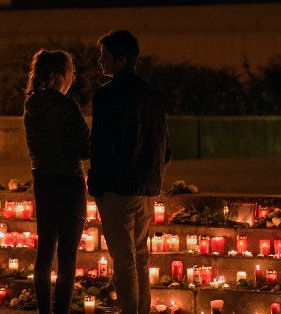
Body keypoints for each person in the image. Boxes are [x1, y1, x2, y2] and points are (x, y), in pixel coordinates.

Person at [87, 30, 171, 314]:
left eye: (105, 55)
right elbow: (164, 144)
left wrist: (96, 183)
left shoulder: (108, 96)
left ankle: (130, 310)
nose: (100, 60)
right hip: (146, 188)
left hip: (118, 189)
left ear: (121, 59)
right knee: (140, 256)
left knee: (124, 259)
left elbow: (103, 144)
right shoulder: (150, 93)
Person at [23, 49, 91, 314]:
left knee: (44, 251)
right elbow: (86, 148)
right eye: (71, 72)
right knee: (67, 254)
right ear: (60, 75)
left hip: (43, 180)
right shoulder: (66, 106)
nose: (72, 78)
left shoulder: (31, 105)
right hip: (69, 182)